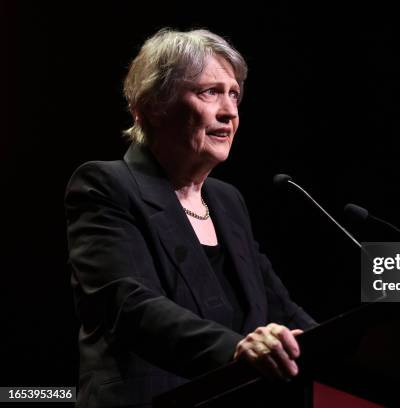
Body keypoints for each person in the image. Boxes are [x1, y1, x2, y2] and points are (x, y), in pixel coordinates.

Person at [65, 28, 316, 407]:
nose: (229, 111)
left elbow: (276, 303)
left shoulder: (228, 201)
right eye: (209, 92)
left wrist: (349, 347)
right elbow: (129, 305)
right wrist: (236, 350)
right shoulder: (105, 185)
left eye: (234, 94)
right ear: (155, 105)